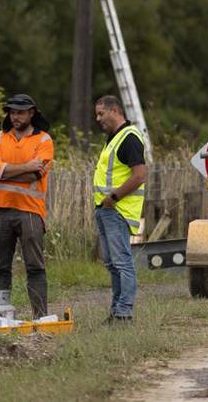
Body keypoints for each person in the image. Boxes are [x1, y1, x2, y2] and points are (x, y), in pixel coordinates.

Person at [0, 93, 55, 318]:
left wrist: (5, 171)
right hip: (0, 210)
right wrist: (25, 166)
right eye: (12, 112)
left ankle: (40, 316)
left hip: (31, 211)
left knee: (35, 266)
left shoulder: (44, 140)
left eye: (20, 112)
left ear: (32, 113)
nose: (15, 116)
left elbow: (35, 175)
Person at [92, 95, 147, 322]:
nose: (98, 119)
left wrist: (113, 197)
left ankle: (124, 312)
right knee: (112, 263)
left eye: (101, 113)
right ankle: (116, 311)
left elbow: (140, 175)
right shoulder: (113, 138)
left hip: (118, 209)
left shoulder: (129, 138)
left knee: (122, 261)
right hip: (106, 209)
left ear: (115, 110)